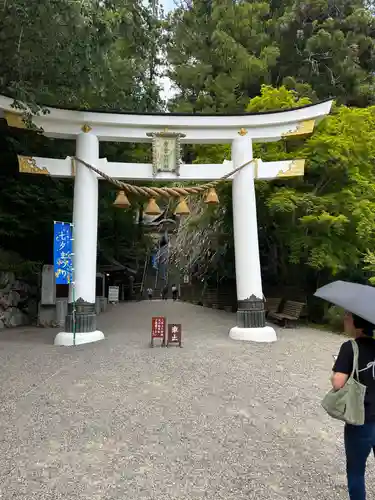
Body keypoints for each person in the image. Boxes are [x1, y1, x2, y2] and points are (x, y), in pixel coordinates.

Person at [332, 312, 375, 500]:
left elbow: (338, 383)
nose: (344, 320)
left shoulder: (350, 347)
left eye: (347, 317)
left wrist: (336, 370)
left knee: (356, 471)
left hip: (361, 420)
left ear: (356, 323)